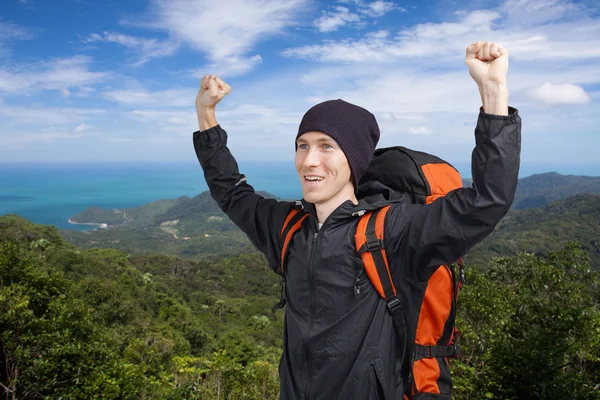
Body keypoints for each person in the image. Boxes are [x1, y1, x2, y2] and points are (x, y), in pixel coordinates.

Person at [193, 41, 521, 399]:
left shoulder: (394, 233)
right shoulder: (287, 229)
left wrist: (492, 91)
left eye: (326, 146)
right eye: (302, 145)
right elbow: (231, 192)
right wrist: (206, 116)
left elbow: (486, 202)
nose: (309, 161)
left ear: (354, 160)